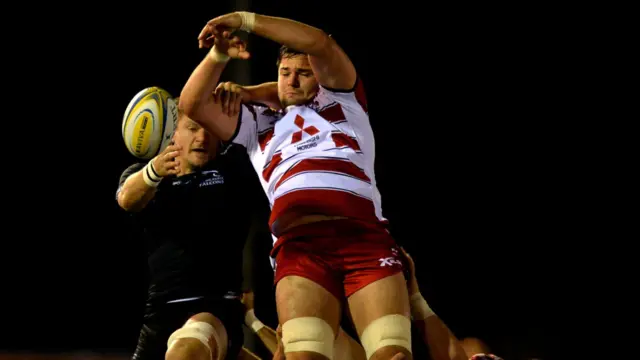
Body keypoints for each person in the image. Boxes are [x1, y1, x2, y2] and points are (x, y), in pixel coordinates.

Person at [180, 11, 412, 360]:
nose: (292, 81)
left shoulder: (343, 100)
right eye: (285, 73)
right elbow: (192, 104)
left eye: (303, 73)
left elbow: (319, 42)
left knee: (392, 355)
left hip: (362, 237)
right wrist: (218, 55)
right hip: (300, 249)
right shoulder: (255, 123)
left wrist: (244, 20)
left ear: (318, 76)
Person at [116, 97, 268, 360]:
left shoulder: (234, 169)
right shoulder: (148, 177)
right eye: (193, 127)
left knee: (186, 353)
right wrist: (154, 171)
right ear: (172, 132)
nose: (202, 136)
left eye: (210, 127)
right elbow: (127, 199)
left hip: (215, 309)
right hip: (160, 315)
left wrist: (241, 94)